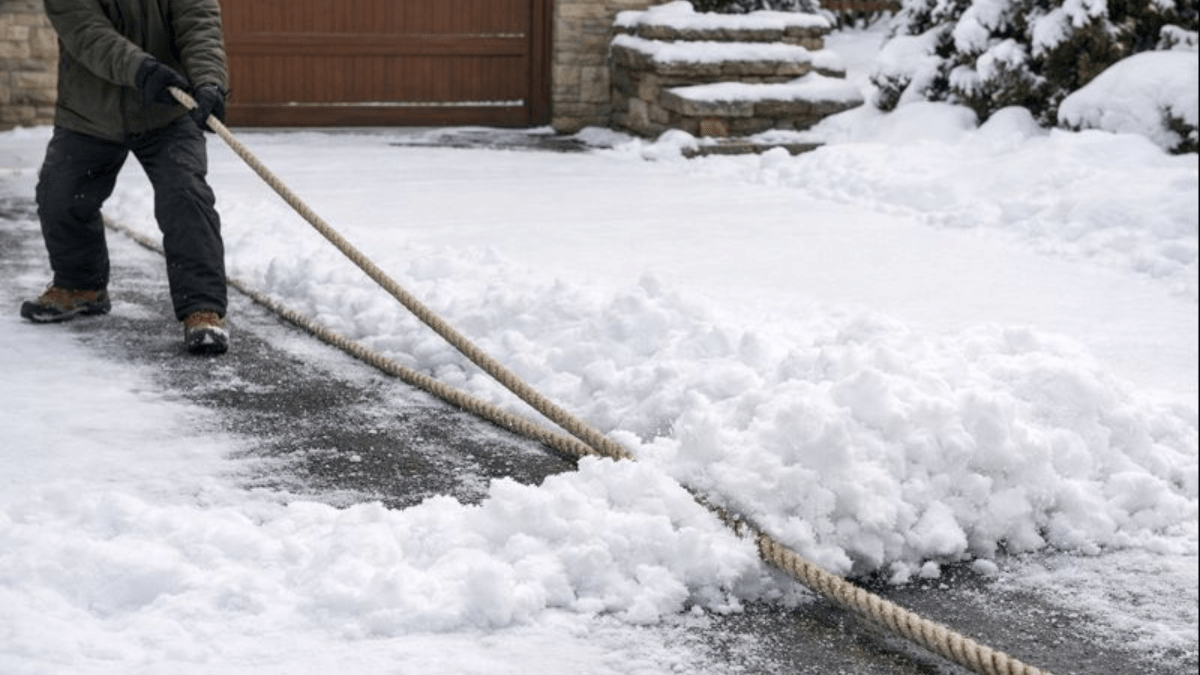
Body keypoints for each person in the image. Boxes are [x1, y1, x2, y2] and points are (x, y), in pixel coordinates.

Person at [20, 0, 232, 355]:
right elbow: (89, 34)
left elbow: (199, 23)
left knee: (186, 195)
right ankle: (81, 287)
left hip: (167, 113)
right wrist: (142, 69)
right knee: (60, 195)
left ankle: (202, 309)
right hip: (89, 115)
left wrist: (209, 80)